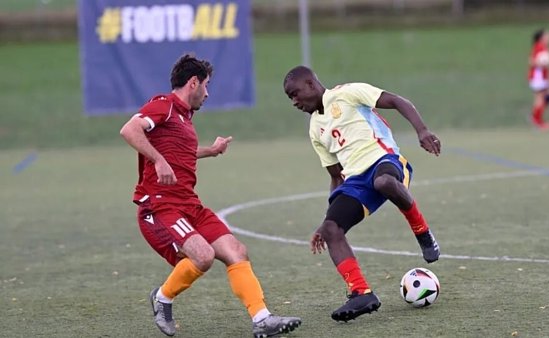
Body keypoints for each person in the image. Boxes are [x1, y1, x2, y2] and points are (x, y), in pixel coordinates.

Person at [120, 54, 301, 338]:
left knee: (236, 252)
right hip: (161, 206)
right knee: (202, 256)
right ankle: (162, 298)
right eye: (206, 85)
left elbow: (178, 154)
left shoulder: (184, 118)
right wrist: (157, 160)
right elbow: (129, 129)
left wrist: (210, 151)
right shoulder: (164, 106)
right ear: (193, 82)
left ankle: (262, 319)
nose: (208, 93)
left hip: (189, 204)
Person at [282, 66, 441, 322]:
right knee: (332, 229)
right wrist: (325, 222)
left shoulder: (348, 93)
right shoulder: (315, 129)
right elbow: (336, 176)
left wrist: (422, 130)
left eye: (295, 94)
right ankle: (361, 292)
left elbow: (398, 101)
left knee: (384, 182)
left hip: (385, 160)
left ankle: (422, 232)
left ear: (311, 84)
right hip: (355, 180)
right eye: (290, 97)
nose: (294, 101)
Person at [528, 28, 549, 130]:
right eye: (547, 35)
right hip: (537, 76)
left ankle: (536, 117)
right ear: (541, 37)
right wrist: (541, 63)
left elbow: (546, 66)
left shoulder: (544, 47)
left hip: (543, 76)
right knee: (540, 98)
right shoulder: (538, 47)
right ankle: (537, 120)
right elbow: (531, 61)